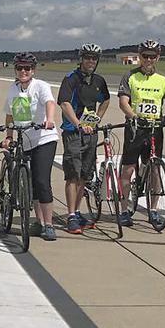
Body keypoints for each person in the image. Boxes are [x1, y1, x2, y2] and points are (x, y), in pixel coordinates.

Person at [117, 39, 165, 227]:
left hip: (154, 128)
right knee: (128, 169)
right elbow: (123, 101)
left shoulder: (163, 79)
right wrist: (133, 116)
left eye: (152, 56)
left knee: (155, 169)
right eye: (145, 56)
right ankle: (125, 210)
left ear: (157, 57)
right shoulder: (130, 76)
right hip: (135, 128)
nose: (148, 59)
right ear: (139, 56)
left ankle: (153, 209)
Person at [1, 52, 59, 241]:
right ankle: (39, 222)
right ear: (15, 70)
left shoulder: (40, 86)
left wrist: (49, 120)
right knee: (31, 183)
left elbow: (50, 103)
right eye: (20, 68)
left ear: (33, 70)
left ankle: (49, 224)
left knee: (42, 180)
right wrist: (8, 136)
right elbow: (9, 115)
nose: (23, 71)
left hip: (44, 137)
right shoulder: (13, 89)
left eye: (27, 68)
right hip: (24, 139)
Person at [57, 43, 110, 234]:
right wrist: (78, 124)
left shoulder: (98, 80)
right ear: (81, 59)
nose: (91, 61)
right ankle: (71, 215)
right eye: (87, 57)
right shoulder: (71, 79)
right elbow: (64, 103)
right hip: (73, 132)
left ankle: (78, 211)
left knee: (84, 176)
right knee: (72, 174)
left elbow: (105, 99)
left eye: (94, 58)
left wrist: (97, 120)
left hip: (91, 133)